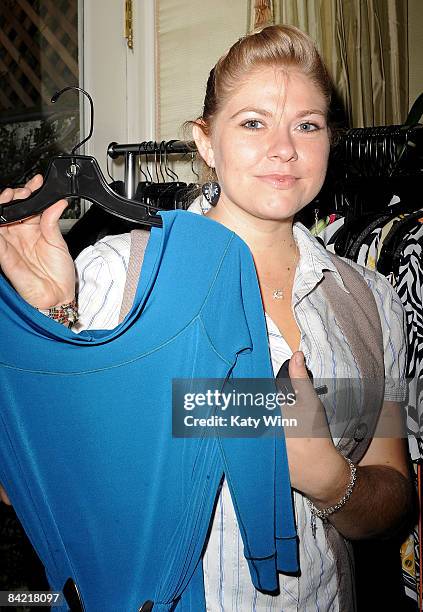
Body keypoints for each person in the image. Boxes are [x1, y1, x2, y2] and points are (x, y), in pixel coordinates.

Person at [0, 24, 415, 611]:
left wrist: (330, 480)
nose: (284, 148)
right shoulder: (120, 272)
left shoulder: (370, 300)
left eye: (308, 124)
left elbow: (394, 493)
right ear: (204, 141)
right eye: (252, 122)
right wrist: (49, 316)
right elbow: (29, 487)